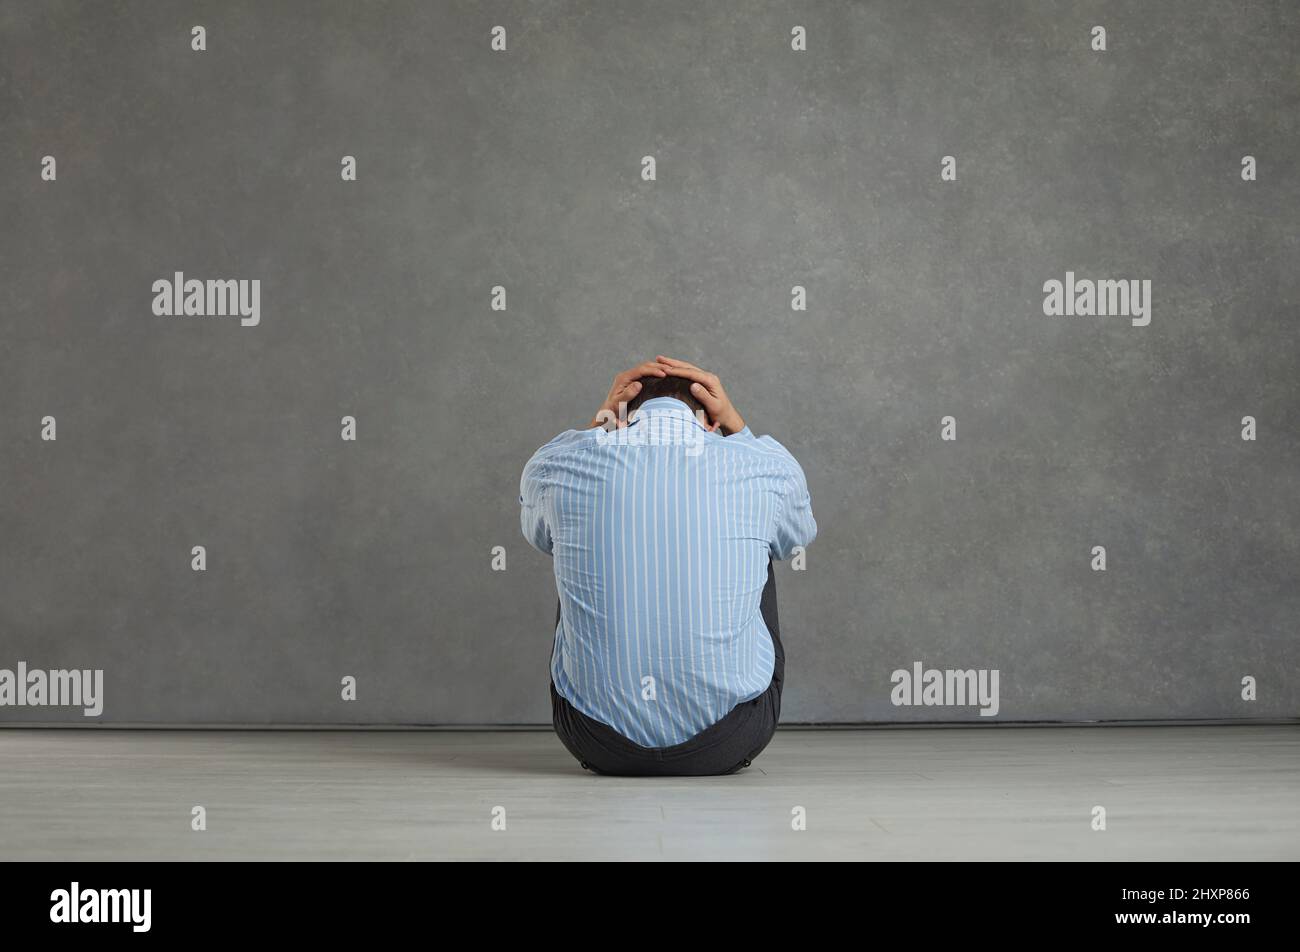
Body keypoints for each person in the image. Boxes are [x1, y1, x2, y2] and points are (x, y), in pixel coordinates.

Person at [519, 356, 817, 775]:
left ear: (621, 415)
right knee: (764, 539)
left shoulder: (555, 465)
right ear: (710, 420)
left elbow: (539, 537)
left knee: (574, 537)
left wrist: (598, 425)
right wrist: (738, 426)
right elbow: (795, 537)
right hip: (730, 739)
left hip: (593, 740)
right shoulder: (766, 466)